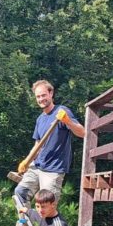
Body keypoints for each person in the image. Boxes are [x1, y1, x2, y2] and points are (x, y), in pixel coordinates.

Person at [15, 79, 86, 207]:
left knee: (47, 205)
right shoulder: (40, 119)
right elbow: (37, 145)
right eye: (38, 96)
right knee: (20, 193)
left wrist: (67, 121)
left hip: (53, 169)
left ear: (51, 94)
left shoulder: (62, 111)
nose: (41, 99)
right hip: (37, 166)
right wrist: (26, 161)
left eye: (43, 95)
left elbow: (83, 133)